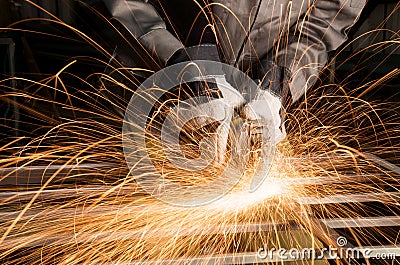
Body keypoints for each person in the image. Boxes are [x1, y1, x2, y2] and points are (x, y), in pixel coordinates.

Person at [91, 0, 366, 162]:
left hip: (254, 91)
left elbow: (323, 24)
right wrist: (186, 70)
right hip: (148, 90)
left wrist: (276, 84)